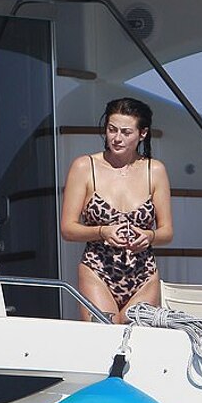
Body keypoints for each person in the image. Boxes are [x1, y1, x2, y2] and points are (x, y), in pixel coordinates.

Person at [61, 97, 172, 324]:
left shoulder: (155, 170)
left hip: (143, 273)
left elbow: (167, 232)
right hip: (98, 269)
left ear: (142, 134)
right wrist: (102, 231)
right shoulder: (84, 167)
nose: (117, 138)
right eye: (112, 130)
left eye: (126, 132)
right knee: (104, 336)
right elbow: (67, 229)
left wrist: (149, 236)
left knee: (138, 340)